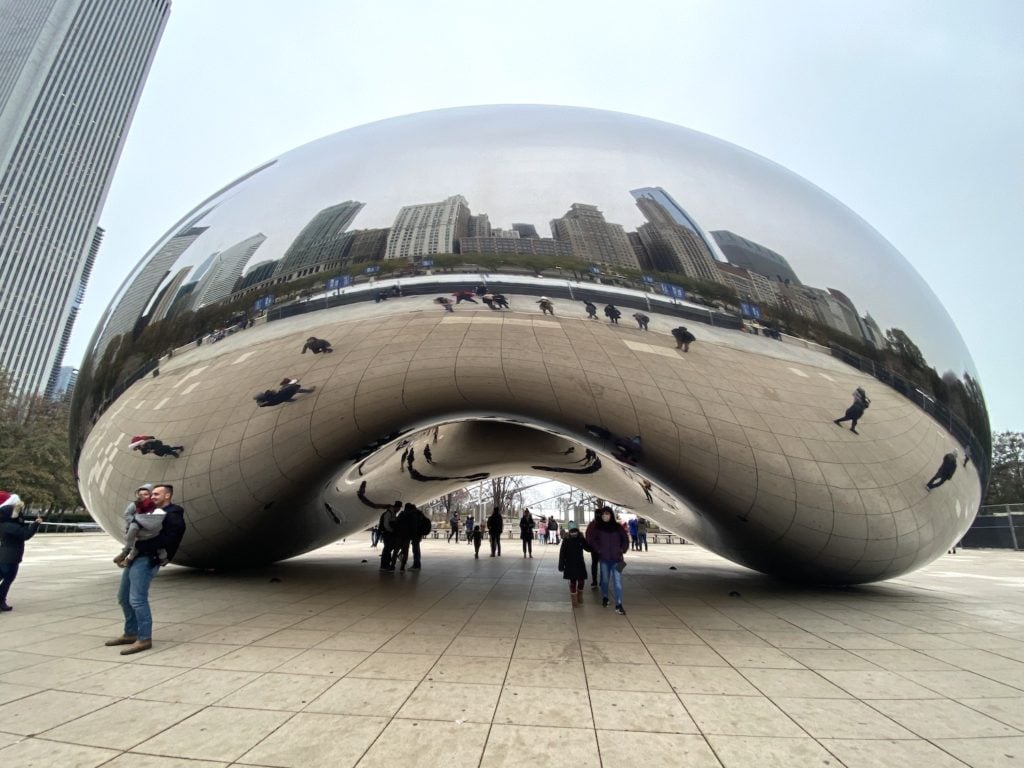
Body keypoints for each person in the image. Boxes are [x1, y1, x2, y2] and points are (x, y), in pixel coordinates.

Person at [105, 484, 186, 654]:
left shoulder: (173, 515)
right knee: (123, 597)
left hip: (148, 558)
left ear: (167, 496)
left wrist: (139, 543)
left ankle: (144, 638)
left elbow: (169, 540)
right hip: (136, 556)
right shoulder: (150, 512)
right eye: (152, 494)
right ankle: (131, 632)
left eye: (157, 494)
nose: (153, 496)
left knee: (137, 599)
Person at [0, 493, 43, 612]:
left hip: (7, 555)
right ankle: (1, 600)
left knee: (6, 578)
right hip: (10, 557)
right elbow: (25, 534)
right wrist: (36, 524)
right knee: (8, 579)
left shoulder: (5, 524)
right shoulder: (9, 526)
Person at [586, 506, 629, 615]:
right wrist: (598, 549)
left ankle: (619, 604)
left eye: (607, 514)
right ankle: (605, 597)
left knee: (617, 582)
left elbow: (625, 539)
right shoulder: (598, 527)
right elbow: (592, 539)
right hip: (604, 559)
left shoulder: (618, 527)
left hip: (617, 559)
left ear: (611, 515)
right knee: (605, 580)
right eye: (604, 514)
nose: (605, 516)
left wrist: (622, 549)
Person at [114, 485, 167, 567]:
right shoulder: (135, 504)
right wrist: (137, 522)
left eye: (146, 494)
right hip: (138, 528)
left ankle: (163, 558)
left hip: (152, 528)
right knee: (136, 544)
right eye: (141, 495)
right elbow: (127, 514)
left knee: (158, 543)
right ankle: (126, 556)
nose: (143, 497)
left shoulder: (155, 504)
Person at [558, 521, 592, 605]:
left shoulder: (581, 539)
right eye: (572, 531)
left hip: (580, 564)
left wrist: (594, 546)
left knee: (581, 581)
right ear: (569, 532)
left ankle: (580, 596)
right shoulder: (566, 540)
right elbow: (562, 553)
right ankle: (574, 601)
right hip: (570, 564)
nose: (574, 533)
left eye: (575, 531)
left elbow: (587, 548)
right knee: (573, 582)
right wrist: (561, 565)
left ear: (578, 530)